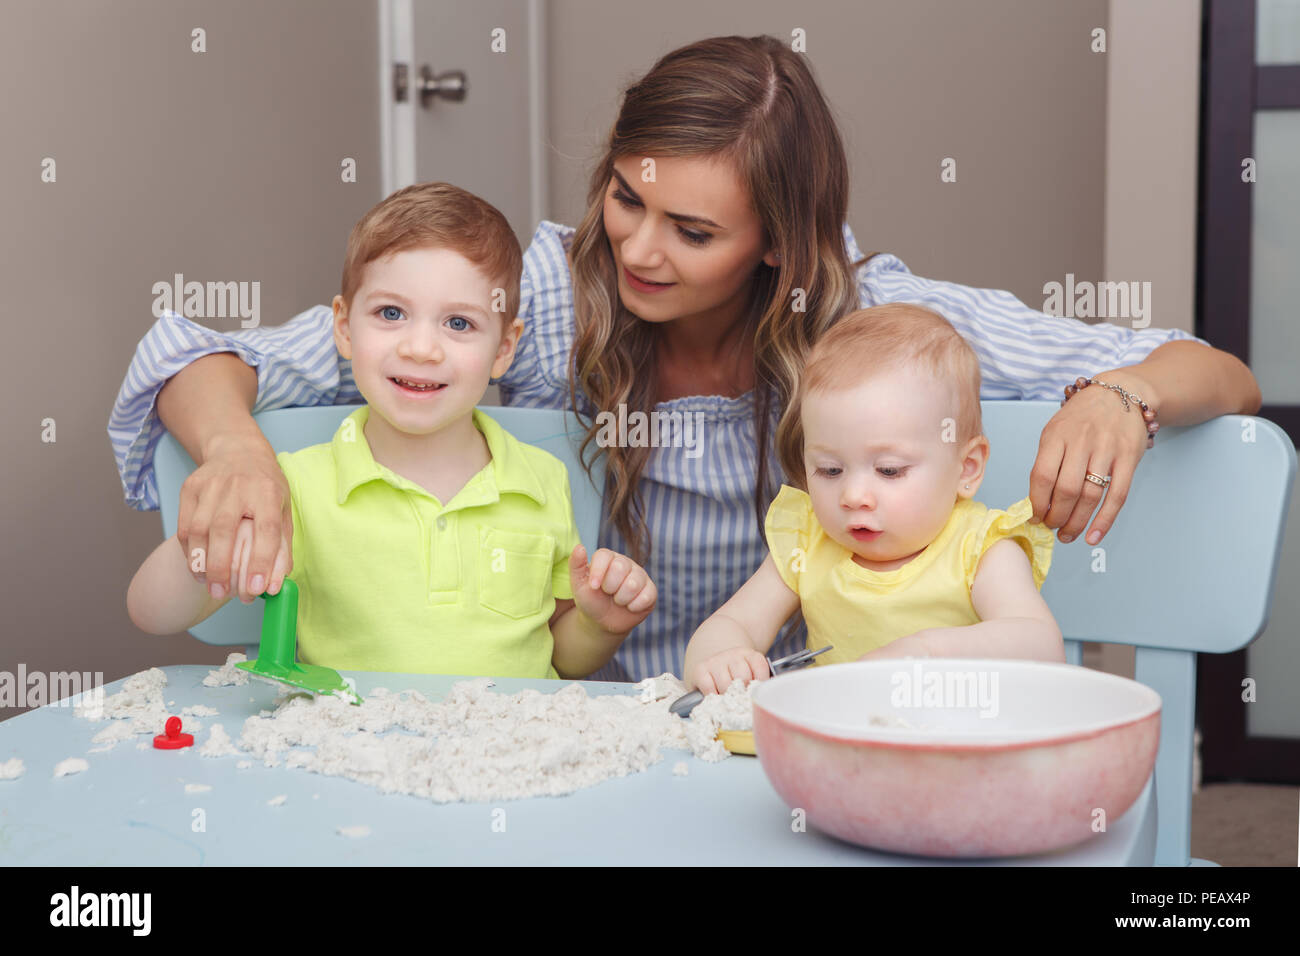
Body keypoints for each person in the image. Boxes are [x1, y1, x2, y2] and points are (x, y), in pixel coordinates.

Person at [109, 35, 1261, 684]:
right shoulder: (537, 298)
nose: (638, 249)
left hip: (803, 721)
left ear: (780, 242)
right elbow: (205, 352)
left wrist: (1123, 395)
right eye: (625, 198)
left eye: (695, 233)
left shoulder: (869, 316)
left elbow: (1212, 367)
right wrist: (235, 445)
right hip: (593, 720)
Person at [126, 183, 656, 679]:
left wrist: (597, 624)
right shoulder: (292, 487)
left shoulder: (544, 480)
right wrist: (210, 549)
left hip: (503, 763)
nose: (420, 348)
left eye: (458, 324)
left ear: (504, 349)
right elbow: (151, 613)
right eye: (390, 313)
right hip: (354, 755)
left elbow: (559, 659)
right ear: (343, 327)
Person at [683, 305, 1063, 694]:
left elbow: (1041, 646)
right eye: (830, 470)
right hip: (839, 745)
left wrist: (928, 653)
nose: (852, 496)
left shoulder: (981, 548)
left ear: (965, 468)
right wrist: (723, 658)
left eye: (889, 471)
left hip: (954, 743)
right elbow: (734, 624)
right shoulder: (808, 541)